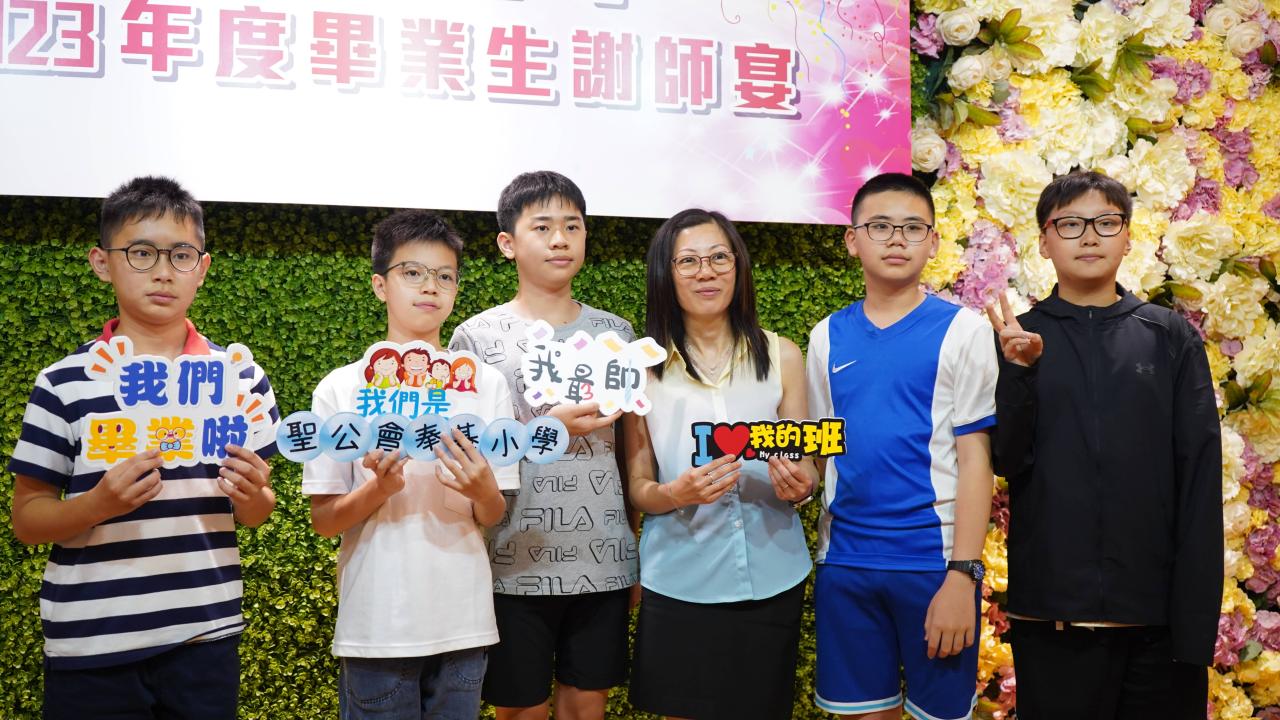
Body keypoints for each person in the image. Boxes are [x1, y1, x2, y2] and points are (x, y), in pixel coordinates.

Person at [8, 176, 280, 719]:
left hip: (205, 636)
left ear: (202, 267)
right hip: (92, 643)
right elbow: (27, 518)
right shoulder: (65, 382)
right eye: (141, 253)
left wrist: (254, 497)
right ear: (102, 262)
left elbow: (256, 511)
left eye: (181, 255)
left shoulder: (240, 379)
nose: (162, 271)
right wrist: (98, 504)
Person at [987, 171, 1222, 719]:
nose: (1089, 236)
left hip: (1158, 624)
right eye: (1070, 224)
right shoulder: (1018, 338)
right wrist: (1019, 373)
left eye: (1105, 222)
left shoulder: (1169, 336)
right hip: (1052, 618)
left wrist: (1194, 624)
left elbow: (1199, 477)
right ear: (1044, 242)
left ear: (1128, 238)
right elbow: (1007, 460)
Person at [304, 209, 514, 719]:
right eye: (412, 272)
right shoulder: (341, 388)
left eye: (445, 276)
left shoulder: (485, 385)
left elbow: (494, 513)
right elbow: (325, 519)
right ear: (380, 285)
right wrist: (377, 489)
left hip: (463, 623)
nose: (430, 287)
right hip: (378, 626)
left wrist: (483, 490)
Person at [808, 172, 996, 720]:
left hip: (933, 562)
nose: (896, 239)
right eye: (880, 226)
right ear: (852, 240)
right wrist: (792, 475)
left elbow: (976, 459)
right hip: (845, 559)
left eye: (913, 228)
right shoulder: (826, 336)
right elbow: (823, 445)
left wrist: (963, 573)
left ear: (933, 242)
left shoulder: (964, 331)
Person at [449, 170, 637, 720]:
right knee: (518, 709)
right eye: (543, 227)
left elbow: (632, 454)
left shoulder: (617, 334)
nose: (560, 240)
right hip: (512, 558)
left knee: (587, 706)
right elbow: (467, 454)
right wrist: (546, 429)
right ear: (507, 243)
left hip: (604, 555)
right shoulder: (476, 338)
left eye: (572, 227)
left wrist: (633, 543)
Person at [622, 208, 815, 719]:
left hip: (774, 574)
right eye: (688, 261)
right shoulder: (641, 368)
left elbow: (807, 464)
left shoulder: (782, 355)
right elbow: (638, 485)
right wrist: (674, 494)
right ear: (665, 274)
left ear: (738, 265)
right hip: (679, 575)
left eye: (718, 258)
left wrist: (801, 483)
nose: (705, 272)